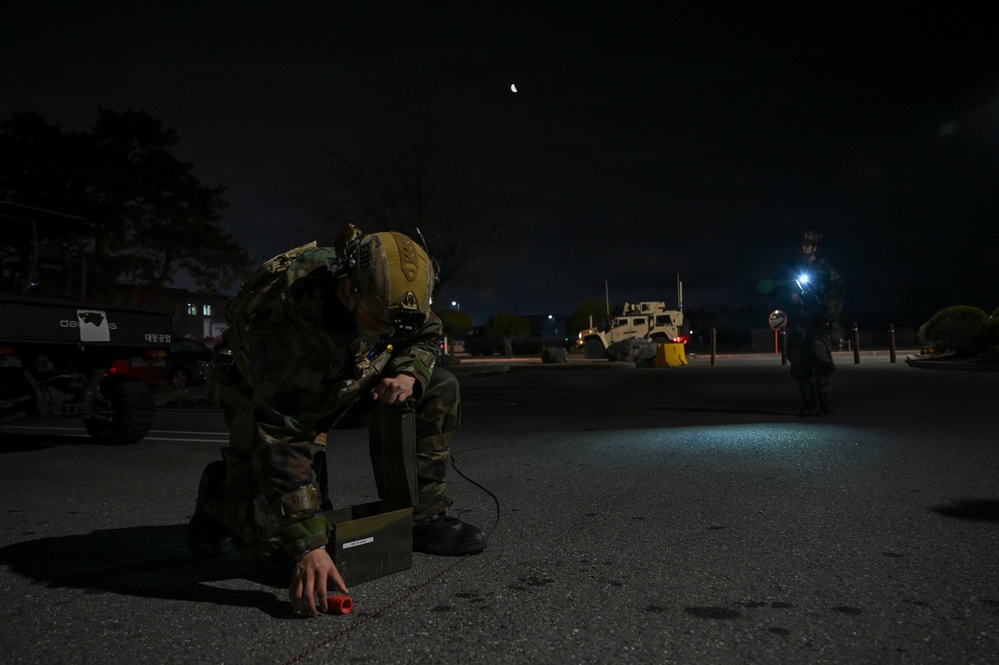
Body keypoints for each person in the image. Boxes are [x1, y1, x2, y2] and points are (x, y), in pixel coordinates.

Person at [186, 226, 487, 617]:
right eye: (379, 321)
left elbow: (426, 334)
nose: (389, 331)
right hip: (266, 405)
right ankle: (219, 497)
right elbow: (281, 434)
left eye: (395, 324)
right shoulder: (287, 322)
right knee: (282, 557)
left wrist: (408, 373)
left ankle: (421, 514)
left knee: (438, 386)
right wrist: (307, 546)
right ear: (348, 288)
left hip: (341, 383)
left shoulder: (394, 297)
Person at [775, 230, 844, 416]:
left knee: (822, 361)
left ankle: (824, 400)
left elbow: (836, 295)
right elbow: (776, 287)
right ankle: (809, 403)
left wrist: (828, 318)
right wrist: (789, 295)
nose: (804, 247)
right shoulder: (790, 268)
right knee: (799, 363)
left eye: (808, 244)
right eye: (801, 244)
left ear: (815, 247)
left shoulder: (825, 269)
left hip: (820, 323)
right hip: (799, 322)